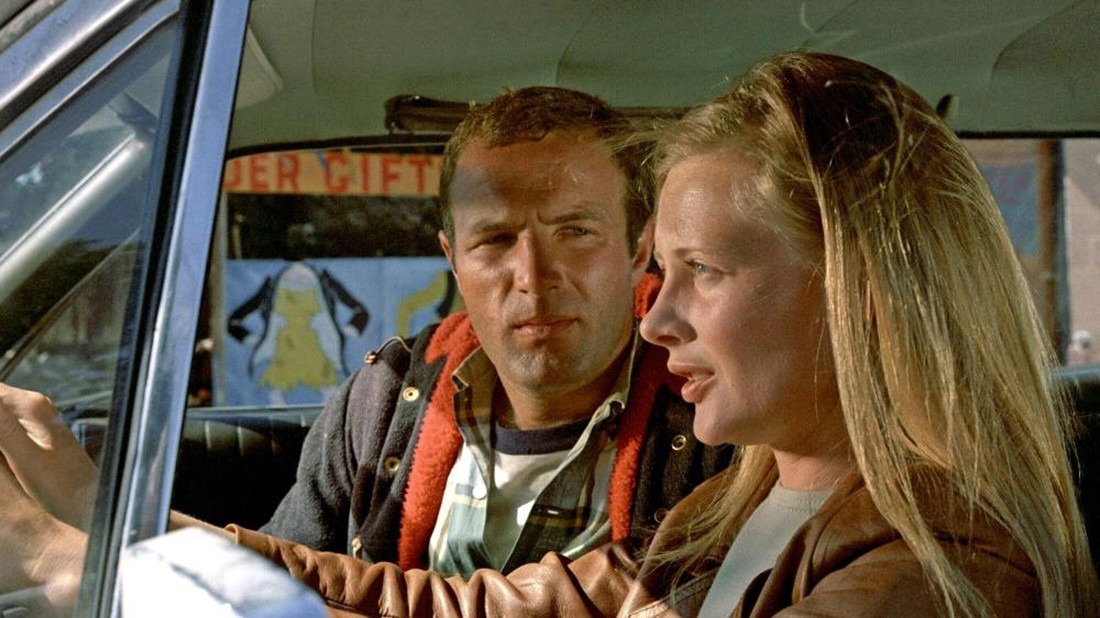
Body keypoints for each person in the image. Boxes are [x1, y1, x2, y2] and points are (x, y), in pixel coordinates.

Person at [3, 53, 1098, 616]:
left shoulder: (938, 568)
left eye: (703, 273)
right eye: (664, 271)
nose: (656, 314)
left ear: (857, 293)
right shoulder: (741, 503)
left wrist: (99, 576)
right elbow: (449, 608)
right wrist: (112, 528)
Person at [0, 85, 730, 602]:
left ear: (639, 250)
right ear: (452, 259)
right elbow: (290, 574)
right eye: (494, 240)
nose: (534, 277)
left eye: (576, 231)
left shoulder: (716, 420)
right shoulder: (386, 400)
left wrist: (93, 542)